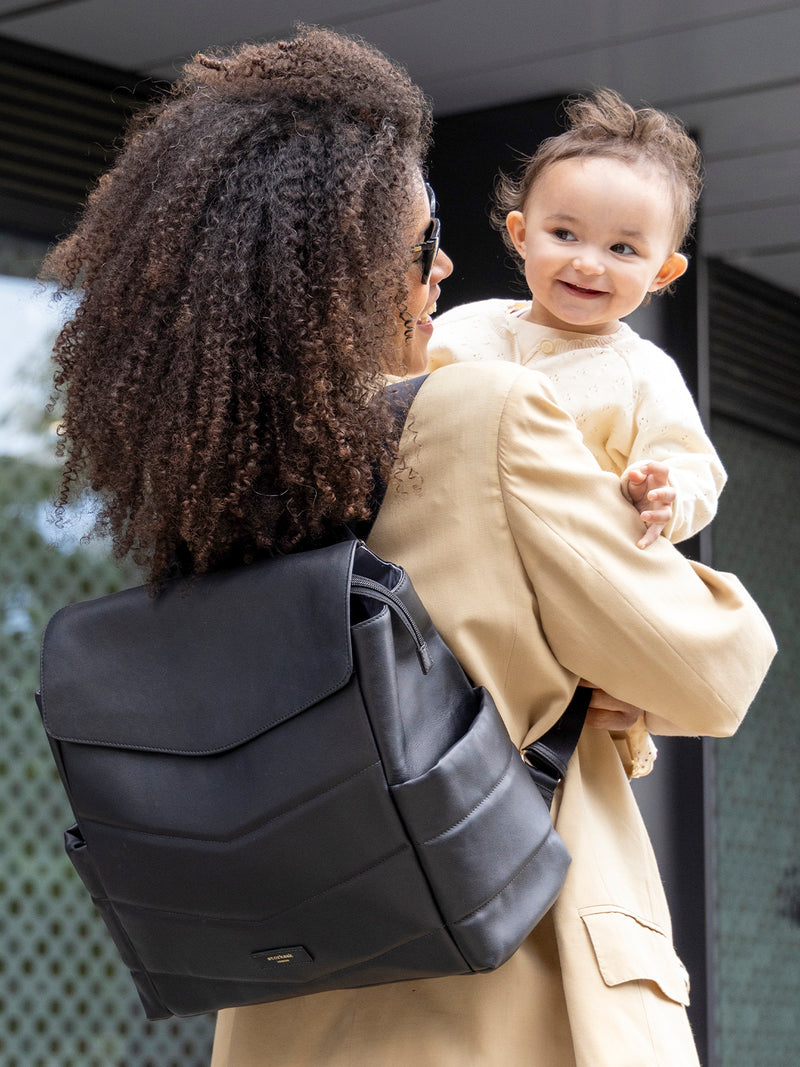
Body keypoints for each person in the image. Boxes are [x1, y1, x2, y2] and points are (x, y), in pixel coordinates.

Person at [42, 27, 775, 1067]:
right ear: (347, 265)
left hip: (293, 1001)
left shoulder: (231, 465)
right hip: (502, 983)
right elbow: (708, 669)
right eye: (422, 239)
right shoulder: (484, 409)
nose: (442, 267)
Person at [428, 89, 723, 551]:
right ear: (522, 235)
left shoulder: (644, 372)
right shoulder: (467, 325)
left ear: (662, 273)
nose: (588, 264)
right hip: (443, 543)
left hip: (566, 560)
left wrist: (666, 494)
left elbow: (691, 464)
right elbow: (393, 394)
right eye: (564, 234)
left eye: (622, 248)